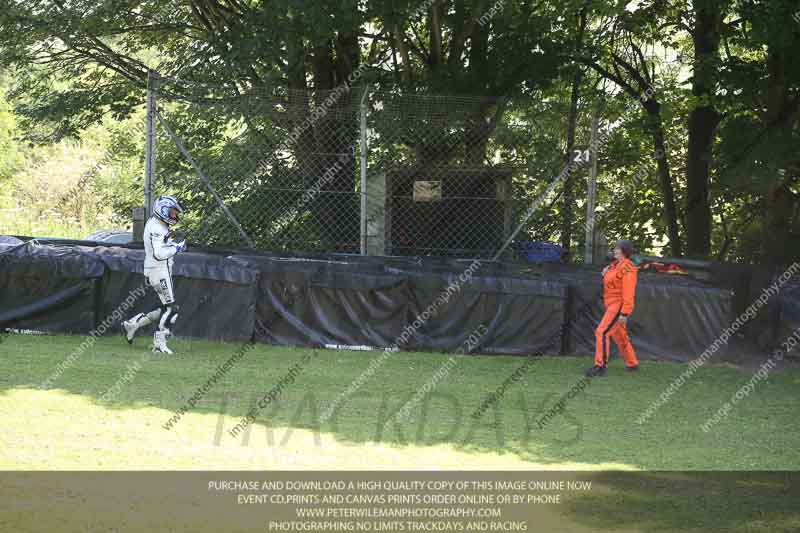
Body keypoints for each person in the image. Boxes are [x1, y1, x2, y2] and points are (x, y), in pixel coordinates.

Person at [122, 196, 187, 354]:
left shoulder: (156, 223)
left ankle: (133, 323)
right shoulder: (157, 227)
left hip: (157, 269)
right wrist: (177, 247)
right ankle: (159, 344)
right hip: (159, 270)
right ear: (163, 211)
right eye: (172, 212)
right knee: (172, 309)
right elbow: (159, 254)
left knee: (164, 307)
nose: (175, 215)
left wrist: (171, 242)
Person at [585, 239, 640, 377]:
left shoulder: (628, 268)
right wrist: (605, 272)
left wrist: (624, 313)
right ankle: (632, 363)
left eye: (617, 248)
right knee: (619, 335)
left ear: (624, 251)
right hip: (612, 304)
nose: (614, 250)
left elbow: (628, 292)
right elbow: (612, 279)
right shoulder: (615, 265)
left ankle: (600, 366)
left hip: (618, 305)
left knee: (602, 332)